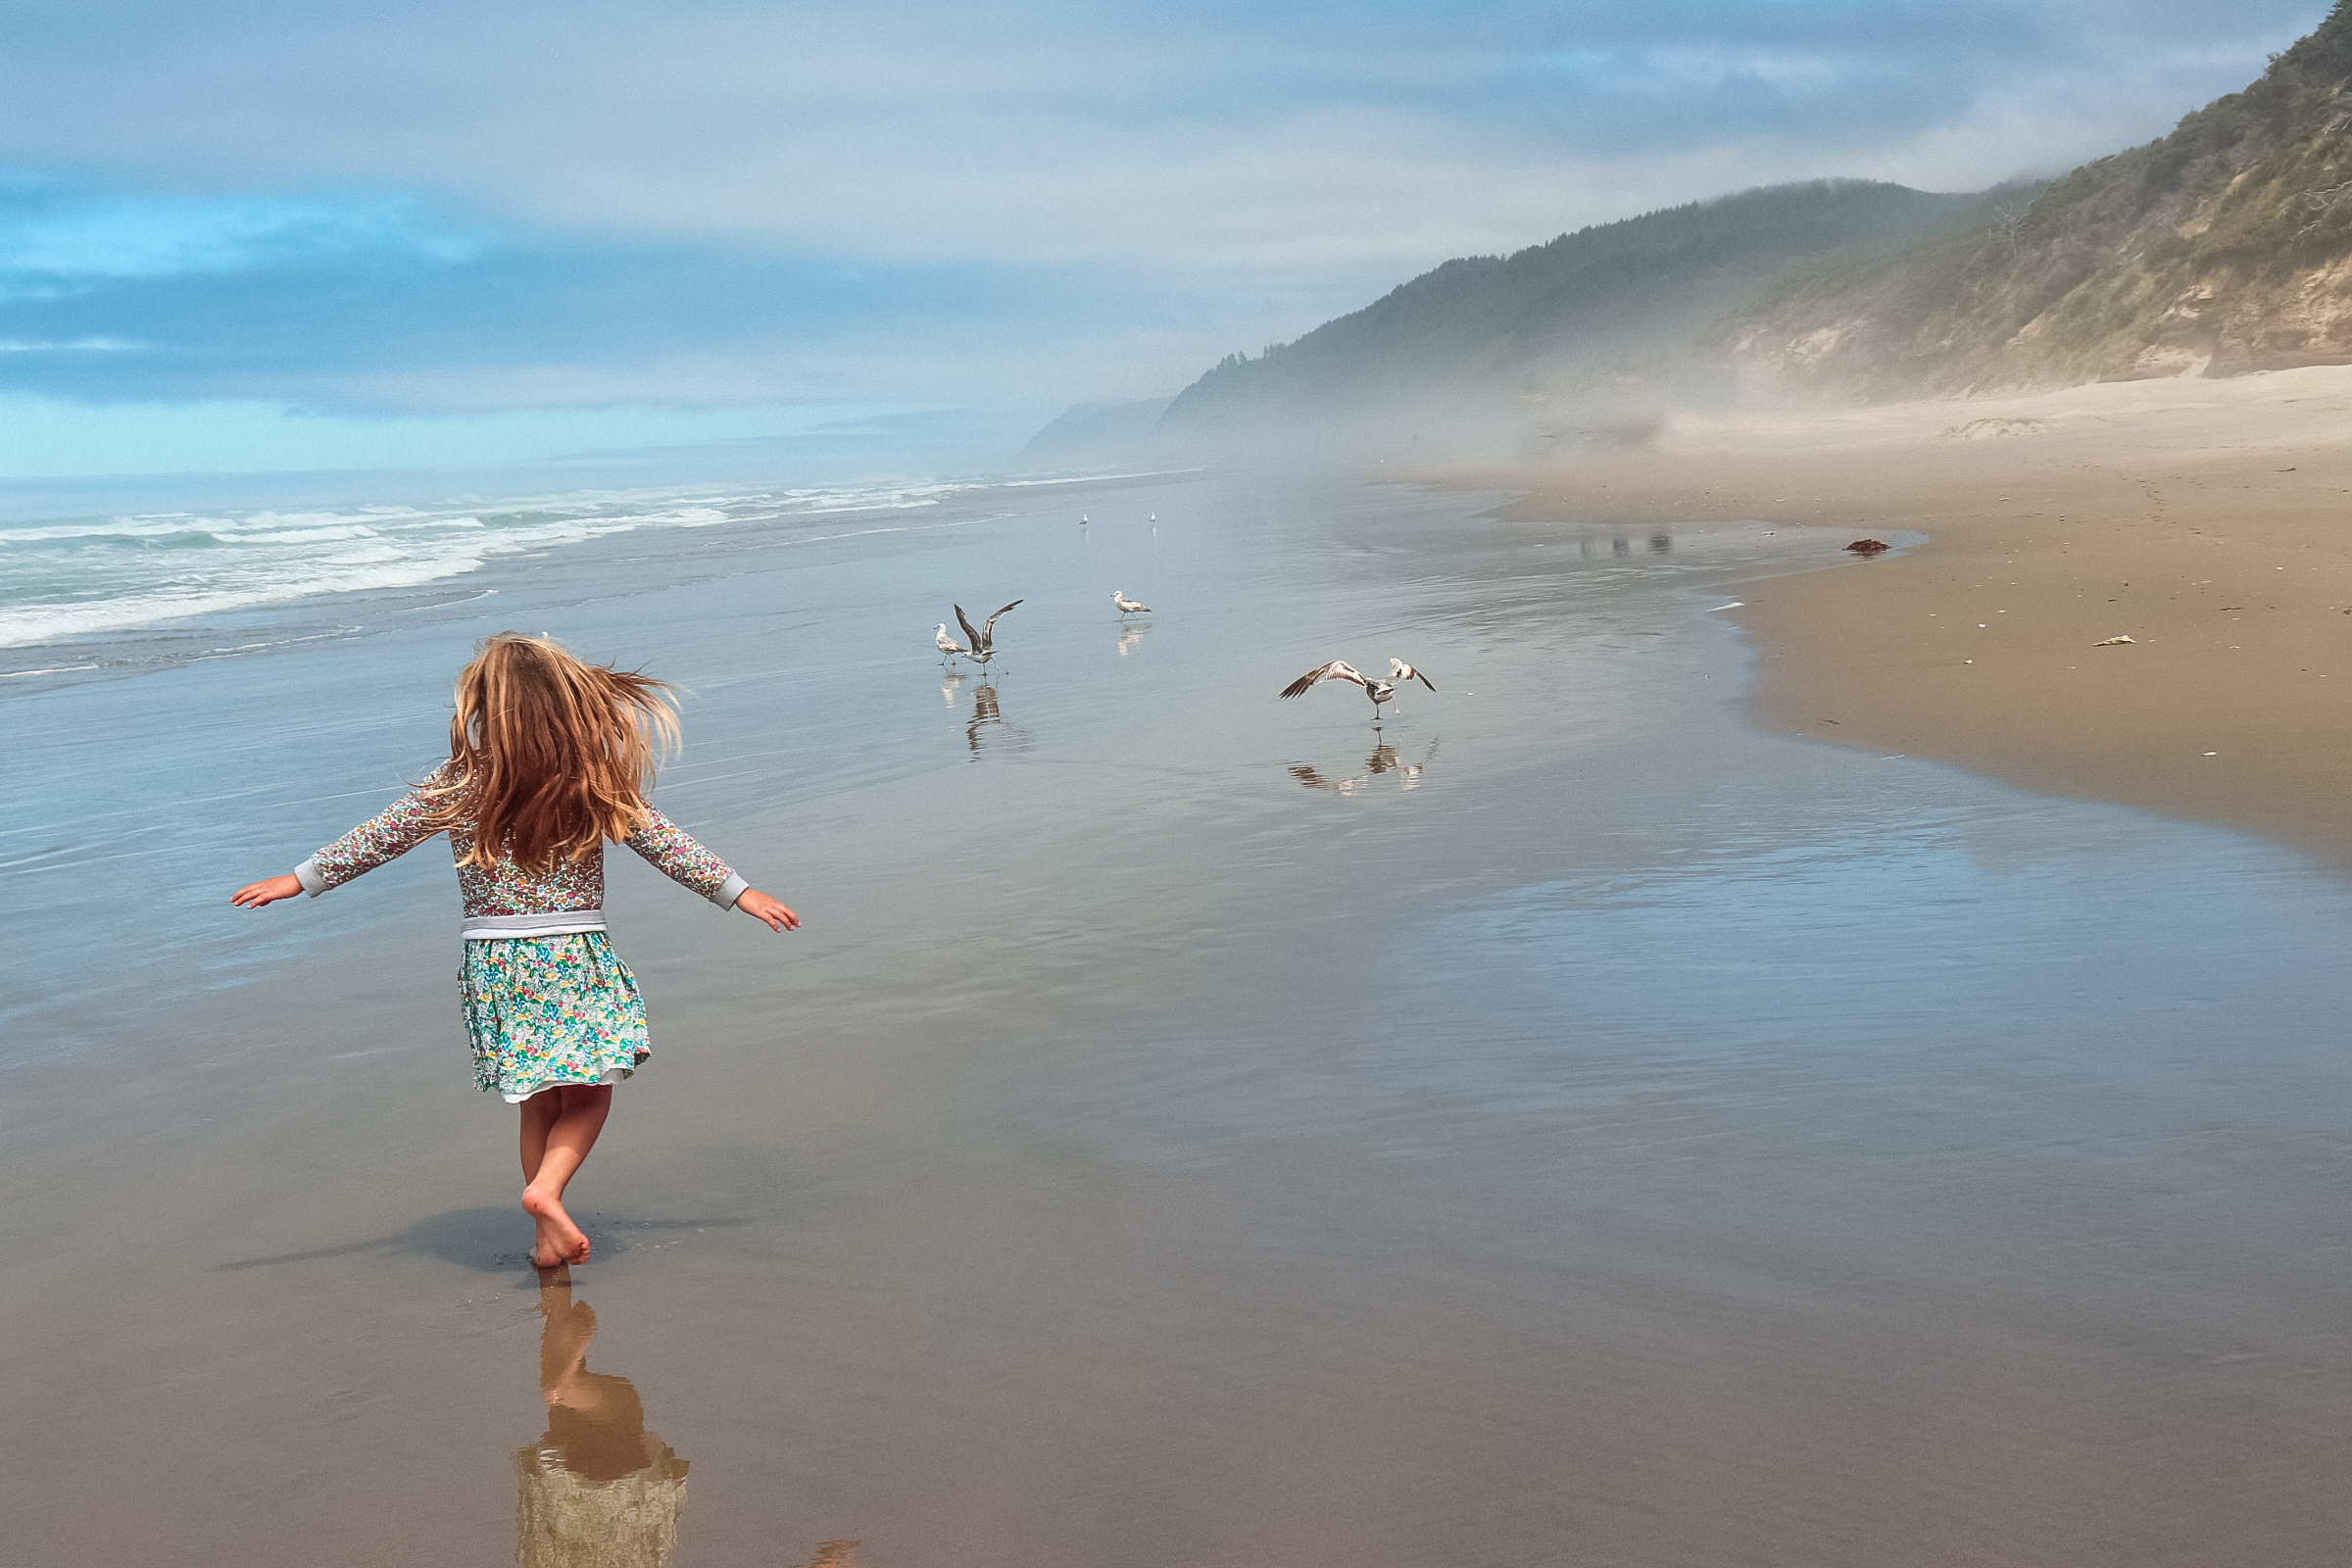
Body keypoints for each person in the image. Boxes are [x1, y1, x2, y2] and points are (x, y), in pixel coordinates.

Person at [231, 633, 797, 1267]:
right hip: (571, 955)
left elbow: (379, 836)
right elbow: (663, 842)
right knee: (590, 1092)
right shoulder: (588, 779)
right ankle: (546, 1194)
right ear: (565, 703)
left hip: (494, 964)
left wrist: (300, 879)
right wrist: (737, 892)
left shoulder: (460, 783)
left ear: (484, 708)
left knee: (536, 1100)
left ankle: (544, 1240)